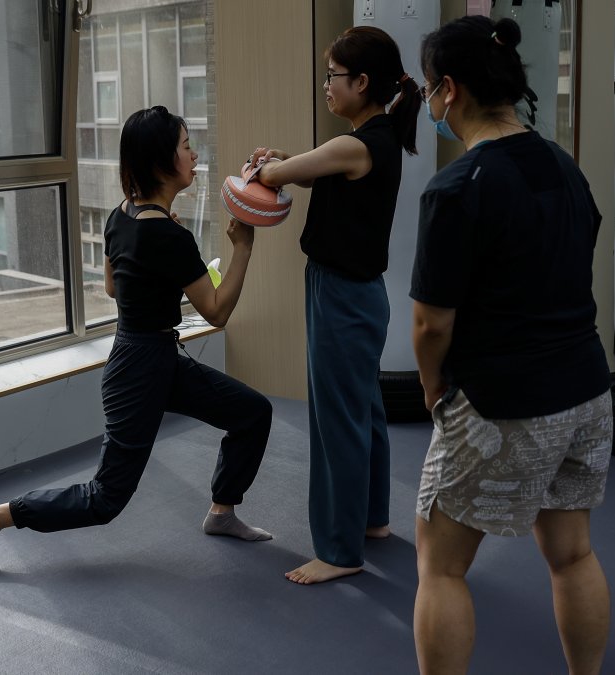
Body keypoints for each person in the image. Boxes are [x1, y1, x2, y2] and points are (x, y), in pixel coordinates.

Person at [0, 106, 272, 572]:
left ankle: (222, 511)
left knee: (251, 413)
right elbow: (218, 312)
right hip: (142, 368)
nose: (194, 155)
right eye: (186, 146)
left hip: (149, 354)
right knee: (104, 500)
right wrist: (243, 246)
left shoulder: (120, 215)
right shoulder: (167, 236)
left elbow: (112, 287)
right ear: (162, 160)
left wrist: (163, 271)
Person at [409, 16, 612, 675]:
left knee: (441, 566)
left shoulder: (457, 188)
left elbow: (430, 325)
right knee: (573, 553)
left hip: (502, 404)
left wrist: (435, 391)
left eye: (427, 89)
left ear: (449, 89)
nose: (429, 102)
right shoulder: (565, 168)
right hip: (586, 394)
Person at [247, 26, 419, 585]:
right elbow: (318, 166)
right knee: (362, 411)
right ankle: (370, 521)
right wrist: (286, 159)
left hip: (341, 296)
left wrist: (266, 166)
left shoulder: (357, 144)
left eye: (333, 76)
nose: (327, 86)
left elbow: (273, 177)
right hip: (358, 294)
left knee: (335, 420)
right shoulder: (374, 138)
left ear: (362, 82)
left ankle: (339, 550)